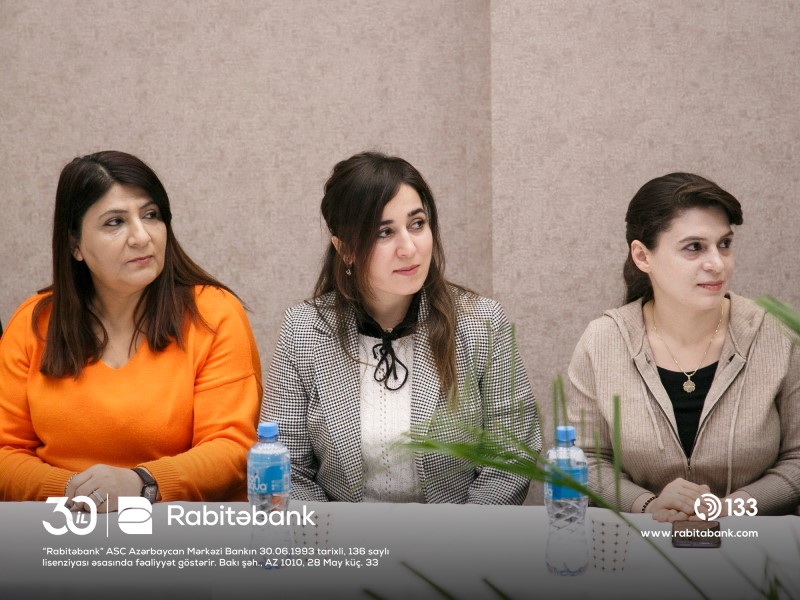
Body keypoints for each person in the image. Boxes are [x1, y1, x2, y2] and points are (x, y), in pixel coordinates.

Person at [261, 151, 541, 504]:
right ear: (345, 249)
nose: (409, 248)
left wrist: (464, 534)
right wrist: (332, 535)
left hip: (457, 534)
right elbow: (285, 467)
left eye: (417, 224)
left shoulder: (481, 322)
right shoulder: (302, 330)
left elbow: (511, 455)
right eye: (384, 232)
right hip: (341, 534)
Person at [0, 151, 261, 511]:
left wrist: (142, 483)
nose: (141, 237)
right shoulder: (33, 322)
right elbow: (6, 451)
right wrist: (77, 492)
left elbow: (232, 446)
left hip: (180, 526)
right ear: (75, 244)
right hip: (63, 525)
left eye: (151, 215)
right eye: (115, 222)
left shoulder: (212, 314)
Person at [567, 173, 800, 521]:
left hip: (754, 545)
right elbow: (585, 459)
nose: (717, 263)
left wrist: (729, 507)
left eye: (724, 244)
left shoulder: (777, 335)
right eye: (694, 247)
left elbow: (797, 460)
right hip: (643, 541)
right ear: (642, 256)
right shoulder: (602, 341)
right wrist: (647, 505)